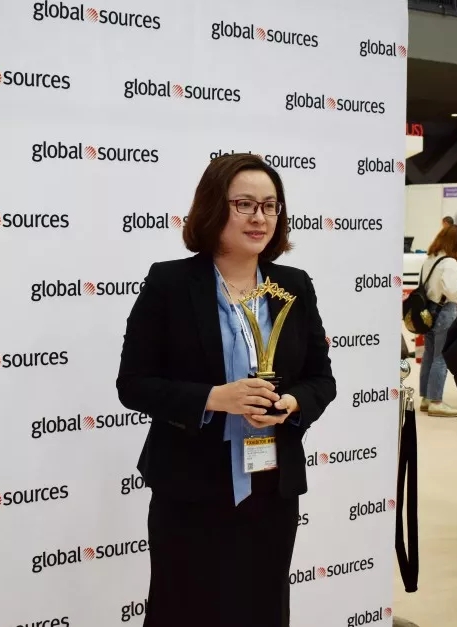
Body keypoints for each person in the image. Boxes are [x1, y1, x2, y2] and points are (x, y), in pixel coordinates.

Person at [116, 154, 336, 626]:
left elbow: (322, 379)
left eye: (270, 206)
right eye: (245, 204)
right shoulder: (170, 283)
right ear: (215, 207)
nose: (260, 217)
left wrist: (291, 403)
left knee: (262, 610)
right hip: (190, 488)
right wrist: (215, 398)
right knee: (184, 611)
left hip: (271, 488)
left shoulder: (293, 285)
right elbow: (133, 384)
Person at [418, 225, 457, 417]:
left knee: (429, 355)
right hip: (445, 310)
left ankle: (426, 398)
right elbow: (452, 290)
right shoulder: (449, 262)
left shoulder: (430, 259)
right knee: (441, 357)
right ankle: (436, 401)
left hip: (428, 310)